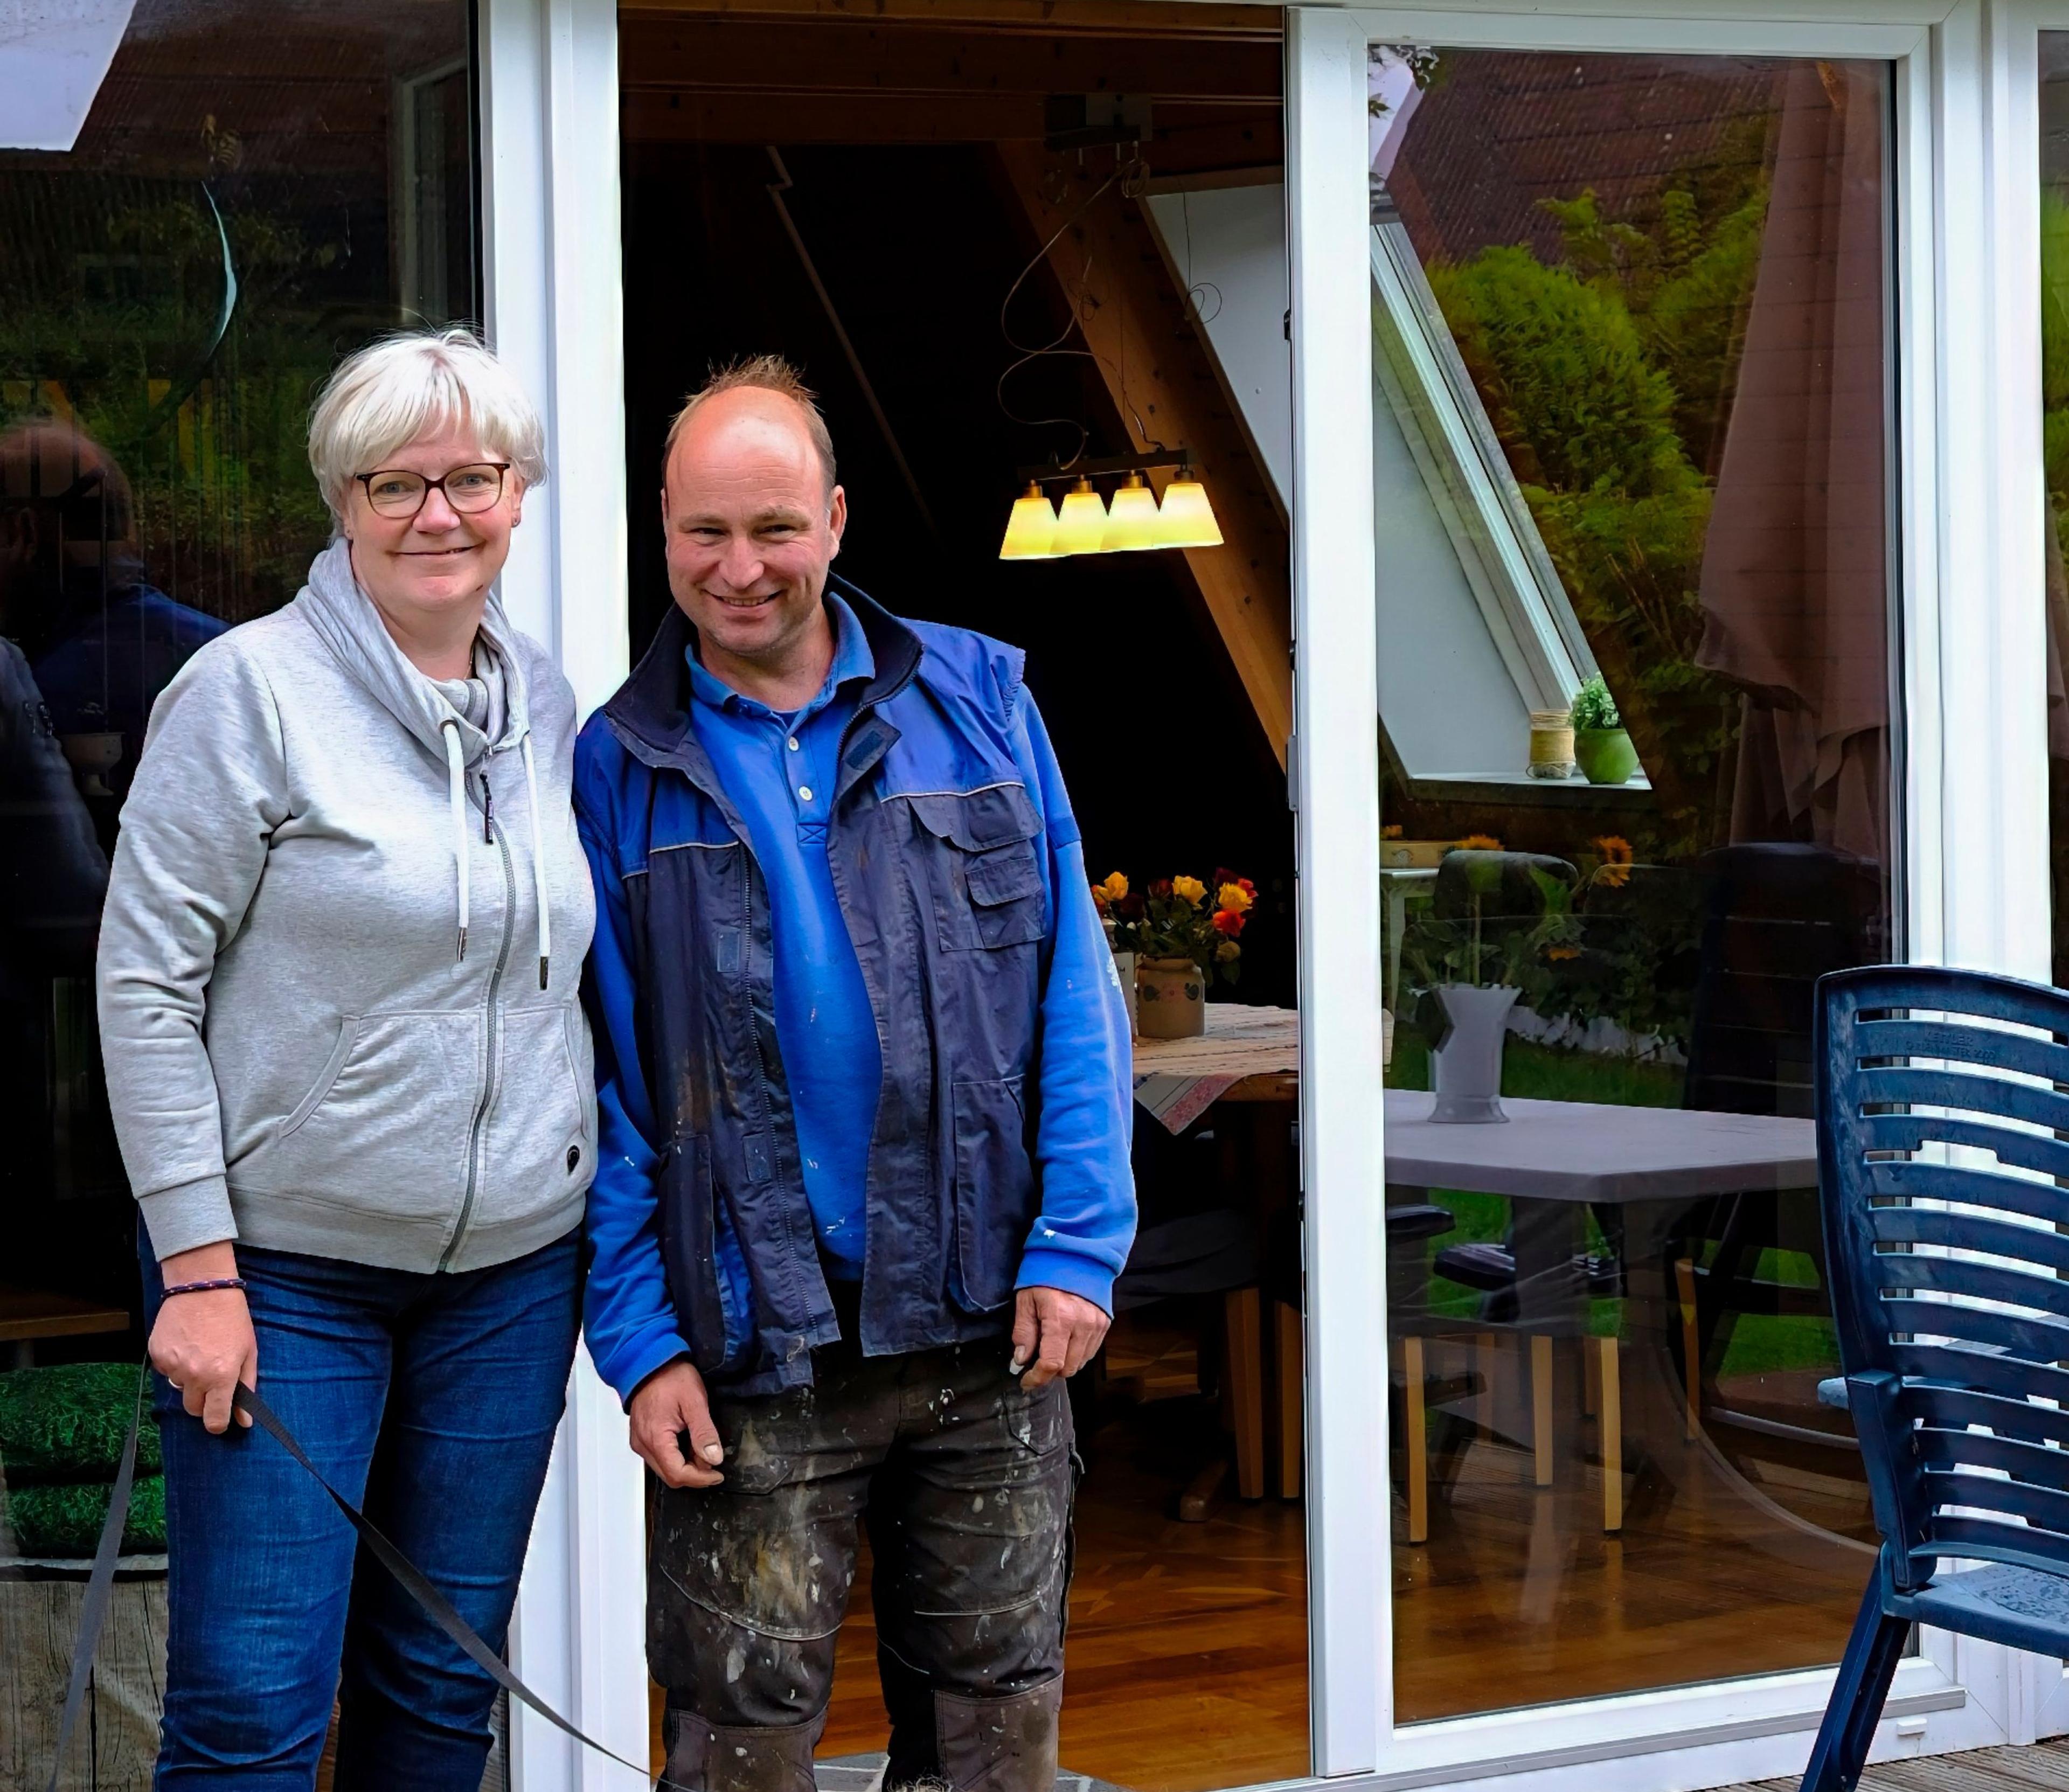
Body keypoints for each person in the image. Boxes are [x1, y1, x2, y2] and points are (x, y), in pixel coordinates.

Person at [577, 355, 1136, 1792]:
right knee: (739, 1750)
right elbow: (606, 1093)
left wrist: (1079, 1244)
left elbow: (1075, 997)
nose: (740, 568)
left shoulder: (983, 700)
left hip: (987, 1322)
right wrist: (642, 1346)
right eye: (705, 532)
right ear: (662, 529)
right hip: (757, 1343)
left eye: (774, 527)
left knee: (992, 1738)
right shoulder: (616, 766)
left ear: (834, 518)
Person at [95, 328, 597, 1788]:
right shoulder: (243, 693)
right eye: (395, 484)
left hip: (511, 1277)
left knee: (438, 1694)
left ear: (518, 492)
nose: (439, 514)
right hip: (282, 1276)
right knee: (253, 1711)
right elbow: (143, 987)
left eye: (473, 479)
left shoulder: (544, 704)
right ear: (342, 500)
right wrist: (197, 1270)